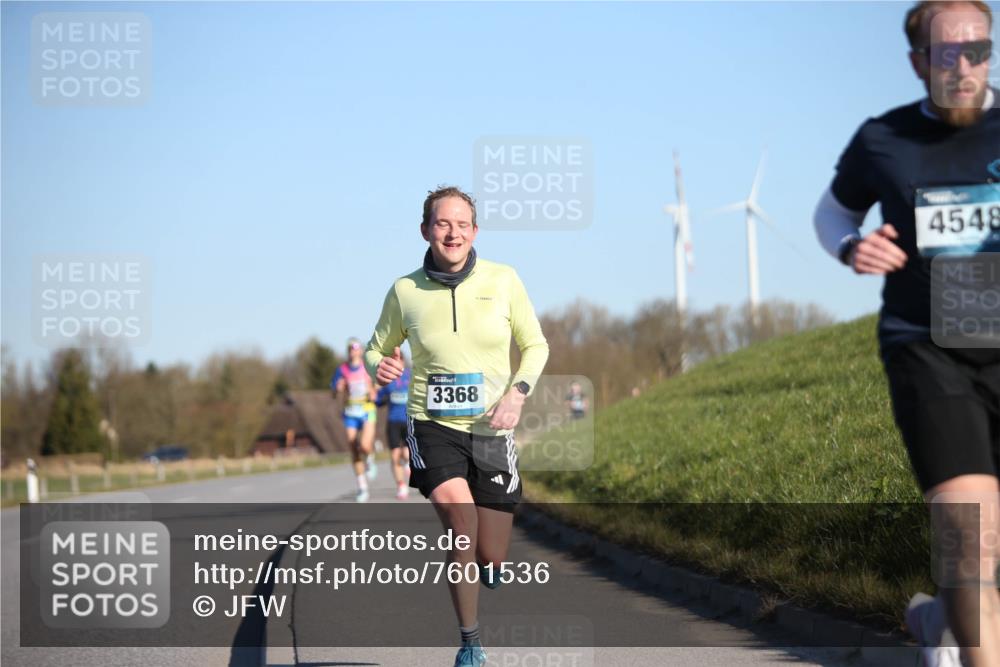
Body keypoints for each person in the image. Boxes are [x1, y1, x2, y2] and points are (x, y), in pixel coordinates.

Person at [814, 3, 998, 665]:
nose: (964, 67)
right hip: (928, 344)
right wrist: (851, 250)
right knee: (969, 533)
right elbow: (832, 214)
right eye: (946, 54)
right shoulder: (883, 139)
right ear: (918, 61)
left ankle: (935, 621)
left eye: (977, 51)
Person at [364, 186, 549, 667]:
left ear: (475, 231)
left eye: (462, 224)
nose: (453, 232)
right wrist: (378, 365)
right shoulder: (405, 290)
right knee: (460, 527)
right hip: (432, 424)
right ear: (425, 230)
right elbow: (376, 347)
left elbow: (536, 346)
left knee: (491, 551)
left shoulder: (504, 280)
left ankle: (490, 564)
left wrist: (517, 394)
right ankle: (470, 643)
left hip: (491, 426)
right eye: (443, 224)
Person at [332, 338, 379, 502]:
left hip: (367, 410)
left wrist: (374, 392)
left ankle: (371, 458)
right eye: (351, 348)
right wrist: (338, 389)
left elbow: (378, 385)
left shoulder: (367, 367)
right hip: (351, 412)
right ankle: (362, 487)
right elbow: (334, 391)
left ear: (361, 350)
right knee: (352, 446)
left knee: (365, 445)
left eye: (357, 347)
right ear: (348, 351)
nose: (354, 350)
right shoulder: (342, 369)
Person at [375, 356, 412, 500]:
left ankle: (409, 464)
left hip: (409, 421)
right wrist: (374, 397)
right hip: (393, 422)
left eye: (398, 361)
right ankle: (401, 486)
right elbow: (378, 400)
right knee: (395, 456)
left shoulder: (411, 376)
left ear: (402, 362)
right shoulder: (388, 379)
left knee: (407, 454)